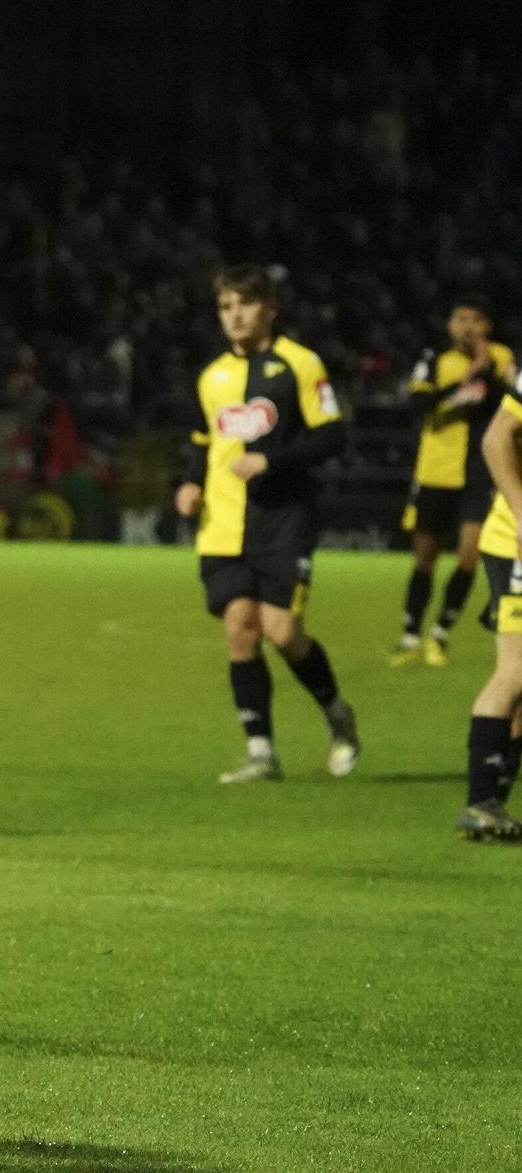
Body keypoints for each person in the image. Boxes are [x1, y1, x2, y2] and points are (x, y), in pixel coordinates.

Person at [173, 265, 358, 784]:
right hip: (223, 522)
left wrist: (271, 462)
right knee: (240, 629)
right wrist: (189, 482)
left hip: (284, 517)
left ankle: (337, 714)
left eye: (244, 305)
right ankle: (261, 752)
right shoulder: (211, 377)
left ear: (269, 309)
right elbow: (200, 440)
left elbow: (331, 436)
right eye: (225, 307)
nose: (234, 316)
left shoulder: (300, 365)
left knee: (282, 631)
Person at [391, 295, 512, 667]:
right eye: (460, 318)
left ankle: (441, 633)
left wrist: (486, 368)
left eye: (475, 319)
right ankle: (410, 634)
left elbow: (506, 404)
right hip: (435, 471)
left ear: (487, 326)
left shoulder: (503, 359)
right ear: (449, 325)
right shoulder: (434, 360)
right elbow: (418, 408)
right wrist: (468, 375)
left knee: (468, 555)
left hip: (478, 474)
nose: (467, 326)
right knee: (424, 556)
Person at [453, 368, 522, 840]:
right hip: (515, 541)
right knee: (516, 670)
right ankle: (480, 801)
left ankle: (492, 801)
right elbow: (496, 438)